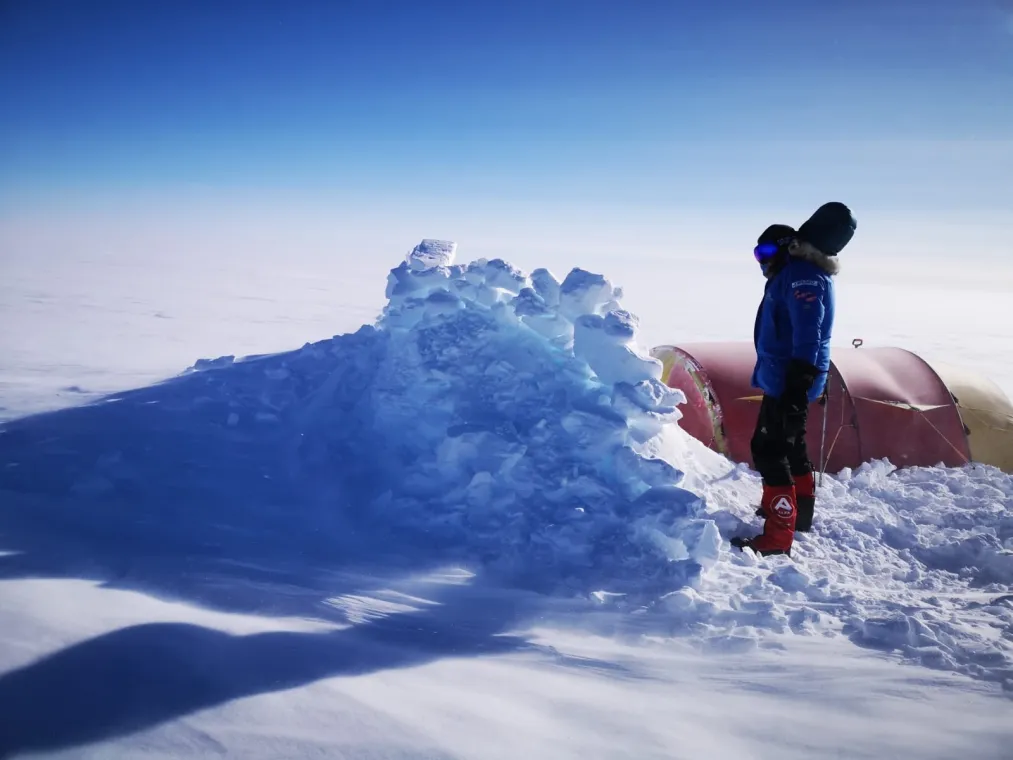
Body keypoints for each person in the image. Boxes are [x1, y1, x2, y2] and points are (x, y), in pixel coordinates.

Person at [731, 202, 856, 556]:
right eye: (757, 252)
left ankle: (776, 537)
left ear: (789, 246)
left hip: (791, 379)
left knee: (770, 451)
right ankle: (797, 514)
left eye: (767, 250)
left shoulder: (802, 276)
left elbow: (809, 332)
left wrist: (799, 382)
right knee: (790, 446)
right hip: (786, 377)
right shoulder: (795, 274)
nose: (761, 260)